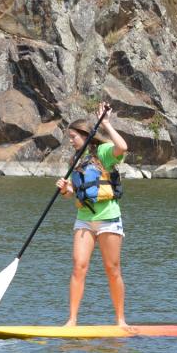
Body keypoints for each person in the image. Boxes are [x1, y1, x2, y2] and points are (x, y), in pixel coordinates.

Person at [56, 102, 129, 327]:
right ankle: (72, 320)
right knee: (79, 266)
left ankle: (120, 320)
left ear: (85, 136)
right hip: (85, 220)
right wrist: (65, 190)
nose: (71, 141)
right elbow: (74, 193)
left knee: (112, 269)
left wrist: (106, 123)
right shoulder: (75, 161)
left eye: (73, 137)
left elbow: (123, 147)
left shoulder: (104, 153)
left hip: (108, 220)